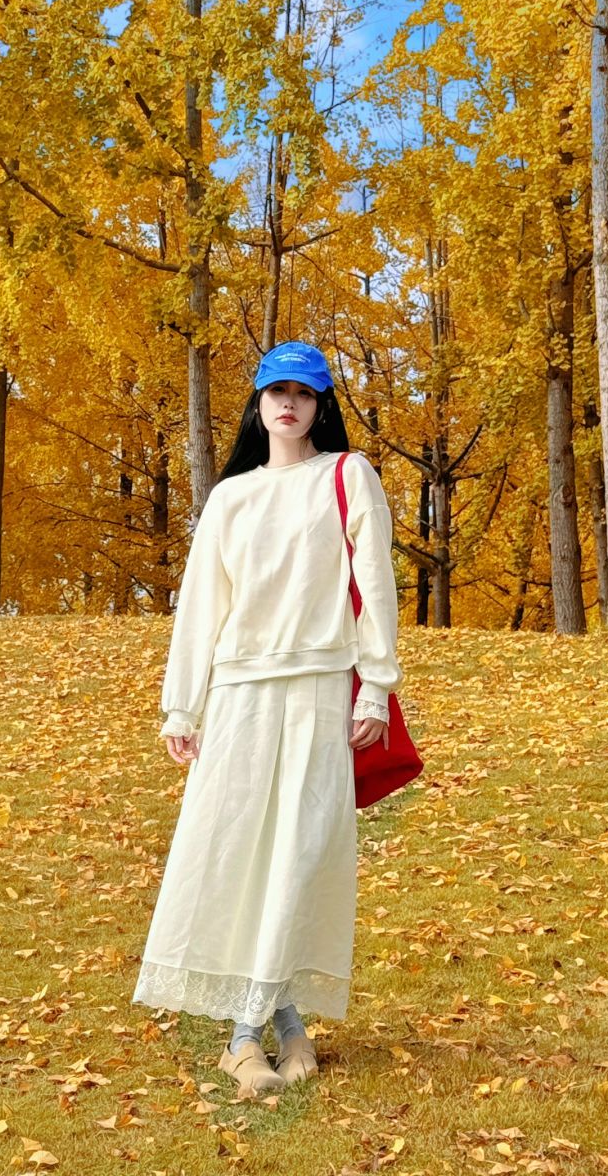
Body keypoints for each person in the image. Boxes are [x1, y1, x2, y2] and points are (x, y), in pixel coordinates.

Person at [131, 340, 404, 1099]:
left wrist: (376, 688)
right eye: (275, 390)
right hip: (240, 696)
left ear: (321, 405)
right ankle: (258, 1034)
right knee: (237, 854)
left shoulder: (348, 477)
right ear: (257, 404)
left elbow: (374, 587)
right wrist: (180, 704)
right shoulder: (231, 497)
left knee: (300, 853)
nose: (288, 403)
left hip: (320, 686)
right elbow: (201, 608)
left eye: (304, 393)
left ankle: (266, 1028)